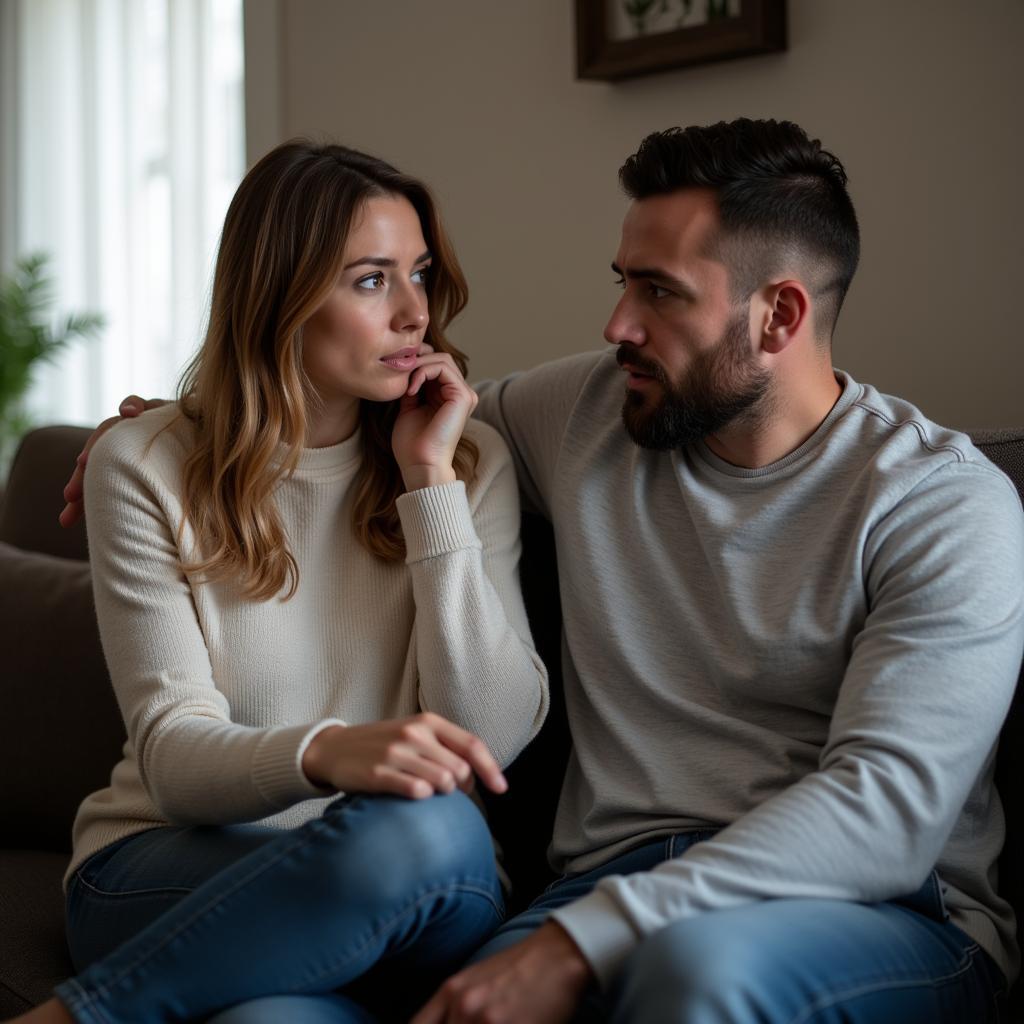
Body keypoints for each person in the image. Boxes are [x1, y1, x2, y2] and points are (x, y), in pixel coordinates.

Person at [61, 118, 1023, 1023]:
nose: (615, 326)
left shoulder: (942, 504)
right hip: (598, 881)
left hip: (874, 908)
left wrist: (582, 942)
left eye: (660, 293)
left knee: (696, 973)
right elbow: (343, 420)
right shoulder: (583, 414)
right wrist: (153, 432)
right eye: (623, 282)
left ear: (780, 316)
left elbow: (886, 818)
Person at [18, 140, 549, 1024]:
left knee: (435, 831)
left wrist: (430, 485)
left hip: (417, 881)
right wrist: (325, 752)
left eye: (419, 273)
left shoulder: (465, 460)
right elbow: (173, 753)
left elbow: (487, 736)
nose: (415, 312)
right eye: (373, 280)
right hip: (172, 865)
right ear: (280, 293)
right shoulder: (143, 464)